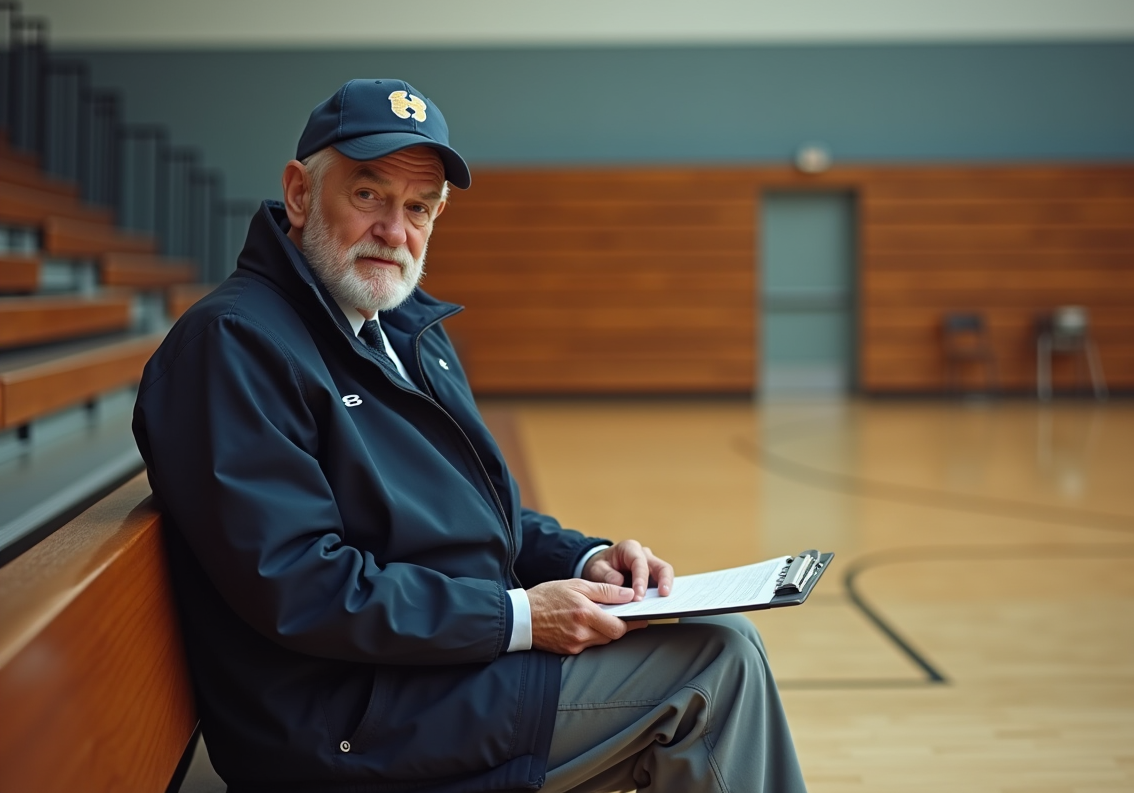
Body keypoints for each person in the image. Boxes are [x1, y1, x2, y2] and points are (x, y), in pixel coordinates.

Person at [133, 78, 806, 793]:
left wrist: (586, 562)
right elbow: (300, 585)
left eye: (419, 208)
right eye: (369, 196)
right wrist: (520, 616)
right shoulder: (234, 343)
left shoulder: (404, 330)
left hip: (436, 670)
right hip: (346, 718)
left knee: (723, 640)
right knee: (715, 669)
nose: (396, 231)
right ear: (300, 194)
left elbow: (493, 518)